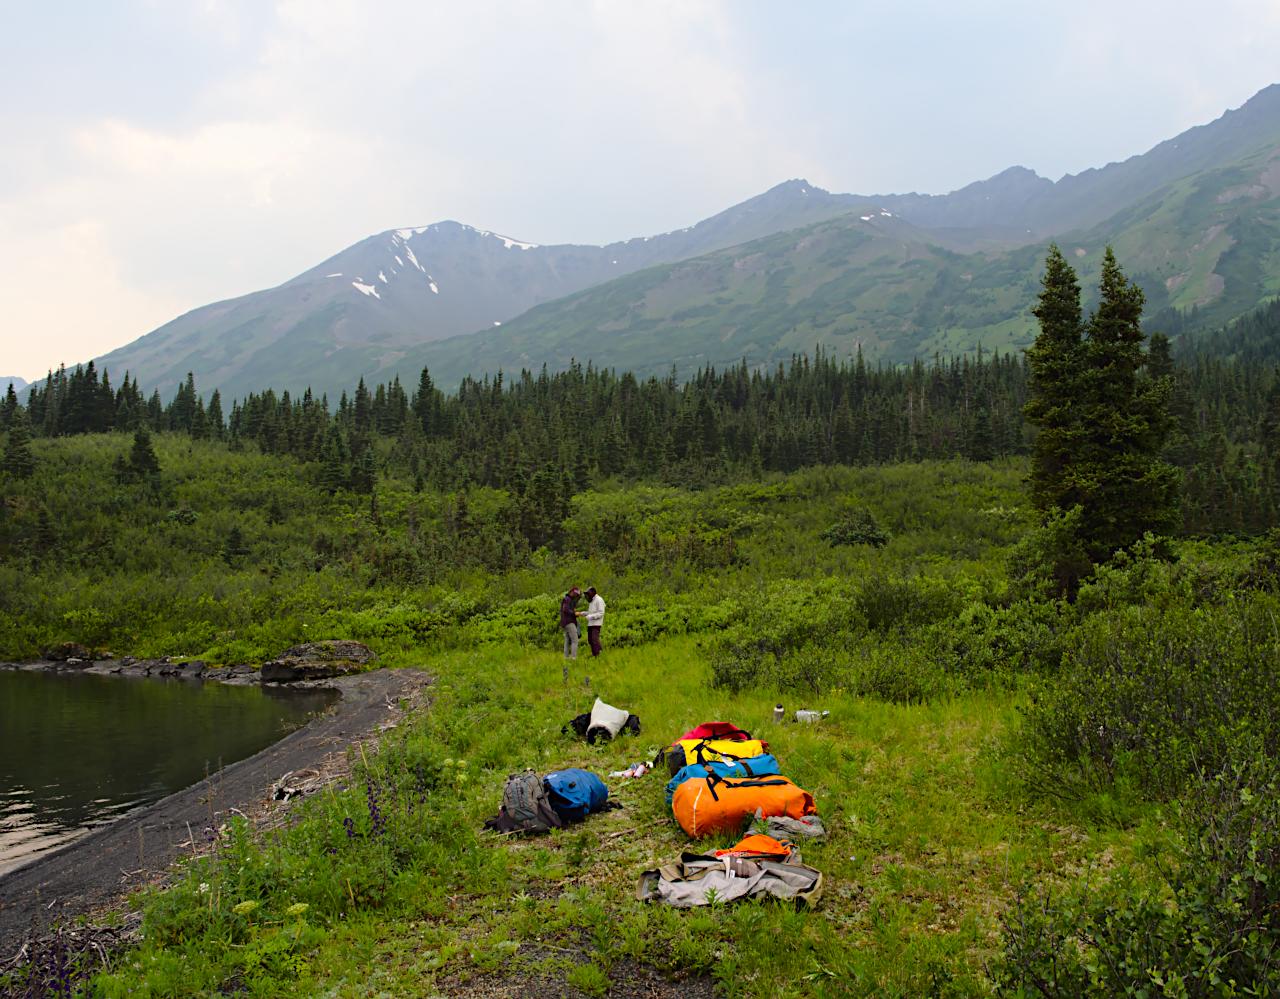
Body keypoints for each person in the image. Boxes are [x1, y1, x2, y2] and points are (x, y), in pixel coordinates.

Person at [580, 586, 606, 657]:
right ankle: (595, 654)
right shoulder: (592, 601)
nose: (587, 596)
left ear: (592, 593)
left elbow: (601, 613)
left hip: (596, 624)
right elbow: (591, 612)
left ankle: (598, 655)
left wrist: (590, 616)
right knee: (590, 640)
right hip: (590, 624)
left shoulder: (599, 600)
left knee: (594, 640)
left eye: (588, 594)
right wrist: (583, 613)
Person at [560, 586, 582, 659]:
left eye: (577, 595)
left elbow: (566, 609)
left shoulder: (568, 599)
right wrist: (574, 613)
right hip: (569, 622)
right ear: (571, 592)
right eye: (575, 594)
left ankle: (566, 657)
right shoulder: (567, 599)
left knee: (567, 640)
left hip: (565, 622)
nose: (576, 596)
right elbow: (565, 609)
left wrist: (574, 612)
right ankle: (573, 658)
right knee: (575, 640)